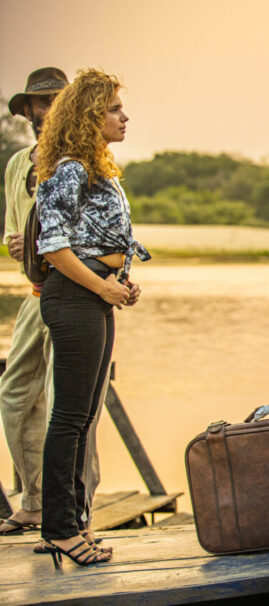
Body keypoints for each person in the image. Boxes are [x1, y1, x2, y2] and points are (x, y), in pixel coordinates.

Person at [35, 69, 149, 567]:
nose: (124, 117)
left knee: (84, 417)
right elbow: (52, 245)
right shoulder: (69, 169)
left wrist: (119, 280)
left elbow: (95, 241)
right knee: (70, 417)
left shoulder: (98, 168)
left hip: (95, 297)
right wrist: (101, 283)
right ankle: (60, 529)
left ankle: (75, 523)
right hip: (74, 296)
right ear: (88, 115)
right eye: (113, 109)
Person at [0, 67, 107, 539]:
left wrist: (110, 285)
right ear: (28, 112)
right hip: (37, 294)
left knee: (75, 407)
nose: (45, 111)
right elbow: (14, 228)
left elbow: (108, 237)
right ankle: (36, 500)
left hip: (79, 296)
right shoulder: (19, 165)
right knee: (16, 395)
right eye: (38, 104)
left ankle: (74, 513)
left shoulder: (84, 162)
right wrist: (17, 244)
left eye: (54, 101)